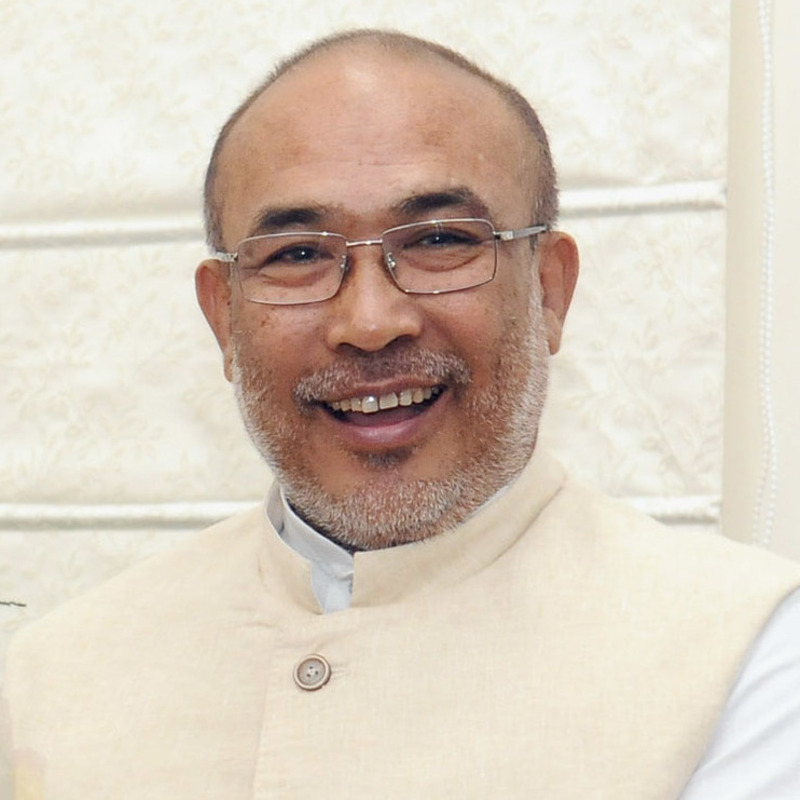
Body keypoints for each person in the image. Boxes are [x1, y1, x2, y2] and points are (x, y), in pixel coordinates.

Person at [4, 29, 800, 800]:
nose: (371, 321)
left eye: (440, 240)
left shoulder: (743, 657)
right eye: (298, 255)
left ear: (549, 290)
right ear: (224, 319)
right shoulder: (52, 682)